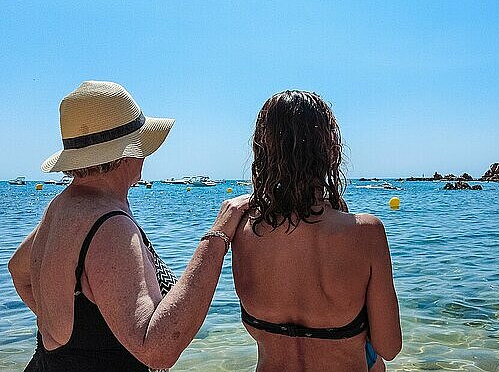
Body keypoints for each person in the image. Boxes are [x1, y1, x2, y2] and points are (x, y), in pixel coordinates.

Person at [8, 81, 249, 371]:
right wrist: (218, 236)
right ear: (125, 152)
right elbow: (157, 350)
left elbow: (18, 272)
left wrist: (65, 338)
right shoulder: (110, 226)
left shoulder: (62, 207)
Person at [232, 90, 402, 372]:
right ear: (329, 150)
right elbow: (389, 347)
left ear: (262, 150)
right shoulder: (366, 233)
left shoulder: (241, 232)